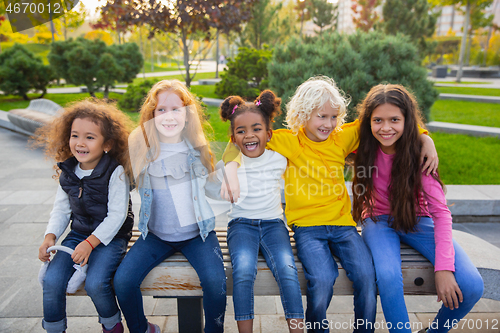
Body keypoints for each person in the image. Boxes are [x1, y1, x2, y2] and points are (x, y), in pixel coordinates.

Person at [222, 76, 439, 333]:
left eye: (333, 117)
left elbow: (388, 122)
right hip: (307, 228)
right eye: (321, 116)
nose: (328, 123)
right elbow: (240, 139)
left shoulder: (343, 137)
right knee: (323, 279)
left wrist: (426, 139)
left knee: (367, 276)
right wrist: (231, 171)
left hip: (343, 226)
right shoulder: (288, 140)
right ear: (303, 115)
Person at [351, 84, 484, 333]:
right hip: (377, 222)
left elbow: (442, 214)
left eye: (394, 120)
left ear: (407, 121)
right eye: (378, 120)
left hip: (419, 220)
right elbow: (324, 136)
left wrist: (443, 269)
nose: (386, 127)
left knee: (472, 285)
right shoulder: (363, 147)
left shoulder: (419, 155)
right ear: (368, 121)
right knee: (389, 278)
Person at [113, 80, 227, 333]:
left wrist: (230, 174)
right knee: (123, 281)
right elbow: (124, 183)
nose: (169, 116)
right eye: (161, 110)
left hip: (198, 236)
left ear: (187, 115)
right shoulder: (144, 149)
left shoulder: (196, 150)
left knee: (216, 283)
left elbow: (212, 189)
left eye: (176, 109)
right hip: (156, 236)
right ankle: (142, 328)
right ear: (151, 115)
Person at [36, 99, 135, 333]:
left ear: (107, 144)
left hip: (111, 238)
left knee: (96, 283)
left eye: (90, 137)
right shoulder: (68, 171)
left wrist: (91, 243)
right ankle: (54, 328)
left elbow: (117, 216)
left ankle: (112, 326)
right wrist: (50, 237)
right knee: (51, 281)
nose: (80, 143)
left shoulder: (115, 172)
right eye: (75, 135)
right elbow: (61, 209)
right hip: (79, 234)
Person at [218, 90, 304, 333]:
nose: (249, 135)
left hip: (273, 225)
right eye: (241, 131)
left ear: (268, 134)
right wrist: (229, 171)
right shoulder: (230, 162)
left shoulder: (279, 158)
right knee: (243, 270)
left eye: (256, 128)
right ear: (233, 138)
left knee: (287, 270)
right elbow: (228, 152)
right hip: (241, 225)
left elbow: (300, 142)